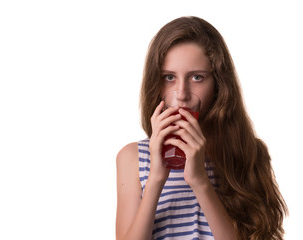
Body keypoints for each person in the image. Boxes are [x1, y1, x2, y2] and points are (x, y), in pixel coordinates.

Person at [115, 16, 287, 240]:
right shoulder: (135, 158)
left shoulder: (248, 152)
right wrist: (156, 177)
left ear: (218, 83)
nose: (182, 93)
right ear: (155, 83)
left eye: (197, 77)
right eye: (169, 77)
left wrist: (199, 180)